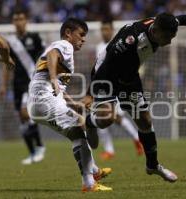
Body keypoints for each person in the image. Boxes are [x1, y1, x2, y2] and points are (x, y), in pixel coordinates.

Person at [84, 12, 186, 183]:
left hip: (129, 75)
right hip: (107, 73)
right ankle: (90, 122)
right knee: (107, 118)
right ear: (157, 31)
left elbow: (181, 19)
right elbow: (106, 64)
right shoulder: (130, 41)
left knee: (145, 120)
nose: (170, 41)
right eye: (168, 37)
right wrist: (89, 94)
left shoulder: (163, 23)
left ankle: (153, 165)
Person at [27, 17, 112, 192]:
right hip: (45, 100)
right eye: (81, 35)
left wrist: (73, 103)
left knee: (77, 129)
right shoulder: (64, 45)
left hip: (37, 105)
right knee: (80, 130)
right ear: (68, 33)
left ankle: (94, 171)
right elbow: (53, 56)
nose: (84, 39)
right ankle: (89, 182)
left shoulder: (61, 51)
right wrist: (52, 78)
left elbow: (59, 86)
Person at [0, 9, 46, 165]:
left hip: (31, 82)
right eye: (15, 19)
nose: (18, 21)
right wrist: (4, 85)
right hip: (17, 84)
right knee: (22, 120)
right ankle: (33, 153)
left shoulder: (35, 38)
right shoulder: (10, 42)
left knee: (25, 113)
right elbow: (7, 65)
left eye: (21, 18)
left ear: (26, 21)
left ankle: (40, 146)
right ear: (13, 22)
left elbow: (44, 59)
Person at [96, 19, 143, 160]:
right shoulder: (98, 47)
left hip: (115, 86)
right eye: (102, 29)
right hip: (102, 86)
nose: (105, 32)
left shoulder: (119, 44)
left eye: (107, 29)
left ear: (111, 30)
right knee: (101, 116)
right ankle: (110, 149)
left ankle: (136, 139)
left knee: (116, 117)